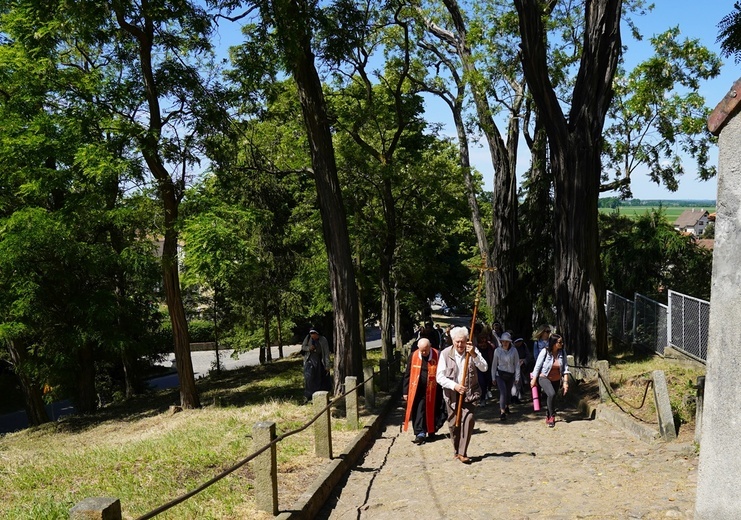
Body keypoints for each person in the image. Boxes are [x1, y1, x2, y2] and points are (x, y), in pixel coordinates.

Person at [436, 326, 488, 464]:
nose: (460, 345)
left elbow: (484, 367)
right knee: (453, 425)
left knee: (469, 419)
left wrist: (474, 355)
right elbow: (439, 377)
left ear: (467, 341)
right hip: (452, 395)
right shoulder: (445, 354)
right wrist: (455, 386)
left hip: (470, 393)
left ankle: (463, 452)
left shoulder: (472, 351)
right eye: (457, 341)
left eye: (462, 341)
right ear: (452, 341)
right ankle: (456, 449)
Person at [402, 338, 443, 444]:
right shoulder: (414, 356)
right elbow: (407, 374)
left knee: (434, 410)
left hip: (434, 389)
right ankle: (419, 433)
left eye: (426, 350)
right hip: (417, 389)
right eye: (422, 351)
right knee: (419, 409)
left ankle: (431, 430)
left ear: (430, 347)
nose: (424, 353)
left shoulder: (437, 355)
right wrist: (405, 391)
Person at [530, 333, 570, 427]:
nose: (562, 344)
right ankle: (552, 416)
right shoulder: (545, 352)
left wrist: (565, 382)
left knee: (552, 397)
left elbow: (565, 368)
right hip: (544, 377)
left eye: (562, 342)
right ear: (554, 343)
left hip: (556, 379)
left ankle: (548, 414)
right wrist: (534, 380)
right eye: (560, 342)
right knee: (551, 394)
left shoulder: (562, 352)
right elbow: (537, 366)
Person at [491, 332, 520, 421]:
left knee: (508, 392)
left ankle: (506, 406)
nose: (505, 343)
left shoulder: (514, 350)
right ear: (501, 342)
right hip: (500, 374)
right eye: (503, 341)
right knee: (503, 392)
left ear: (509, 342)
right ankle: (502, 411)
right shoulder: (497, 351)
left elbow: (517, 364)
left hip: (510, 374)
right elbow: (494, 364)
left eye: (507, 341)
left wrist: (517, 377)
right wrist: (493, 377)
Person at [301, 328, 331, 403]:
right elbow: (303, 347)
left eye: (314, 334)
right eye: (311, 334)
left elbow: (326, 353)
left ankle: (318, 396)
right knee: (309, 378)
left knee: (318, 378)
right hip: (309, 360)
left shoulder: (323, 340)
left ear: (317, 334)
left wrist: (327, 365)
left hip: (319, 361)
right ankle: (308, 396)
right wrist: (309, 348)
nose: (312, 335)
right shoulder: (308, 338)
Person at [475, 325, 495, 406]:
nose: (483, 345)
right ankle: (482, 399)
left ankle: (486, 391)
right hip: (479, 368)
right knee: (482, 382)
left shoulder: (490, 347)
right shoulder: (476, 349)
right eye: (481, 343)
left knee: (488, 381)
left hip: (489, 367)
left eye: (484, 342)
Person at [512, 337, 534, 402]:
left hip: (524, 366)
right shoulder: (512, 348)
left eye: (520, 341)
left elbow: (528, 356)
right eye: (517, 342)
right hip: (514, 367)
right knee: (516, 382)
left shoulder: (524, 346)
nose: (519, 343)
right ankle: (516, 397)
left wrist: (523, 361)